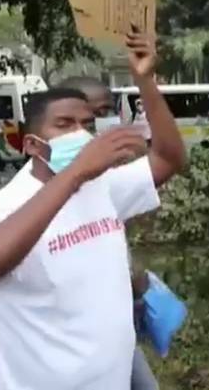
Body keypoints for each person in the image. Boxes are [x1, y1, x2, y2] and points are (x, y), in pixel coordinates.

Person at [0, 30, 187, 390]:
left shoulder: (103, 186)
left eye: (87, 124)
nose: (81, 134)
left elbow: (170, 158)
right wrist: (76, 172)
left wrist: (144, 80)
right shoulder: (2, 207)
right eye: (65, 125)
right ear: (33, 145)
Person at [56, 77, 159, 390]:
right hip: (73, 338)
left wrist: (131, 276)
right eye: (74, 120)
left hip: (116, 325)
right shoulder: (38, 195)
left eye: (102, 114)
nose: (92, 127)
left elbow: (169, 160)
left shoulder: (109, 178)